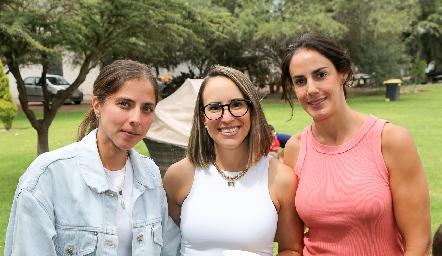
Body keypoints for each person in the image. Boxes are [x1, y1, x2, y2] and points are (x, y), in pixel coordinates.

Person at [4, 60, 180, 255]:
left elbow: (170, 249)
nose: (136, 119)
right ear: (97, 105)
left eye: (146, 109)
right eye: (124, 104)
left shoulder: (150, 175)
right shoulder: (48, 177)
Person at [280, 33, 432, 255]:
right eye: (300, 81)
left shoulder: (390, 141)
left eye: (320, 75)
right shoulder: (295, 149)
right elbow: (291, 245)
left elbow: (420, 242)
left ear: (343, 73)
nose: (311, 89)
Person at [163, 65, 304, 255]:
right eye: (214, 108)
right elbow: (166, 245)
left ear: (252, 110)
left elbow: (291, 249)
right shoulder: (178, 176)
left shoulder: (282, 178)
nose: (227, 117)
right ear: (203, 117)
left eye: (237, 104)